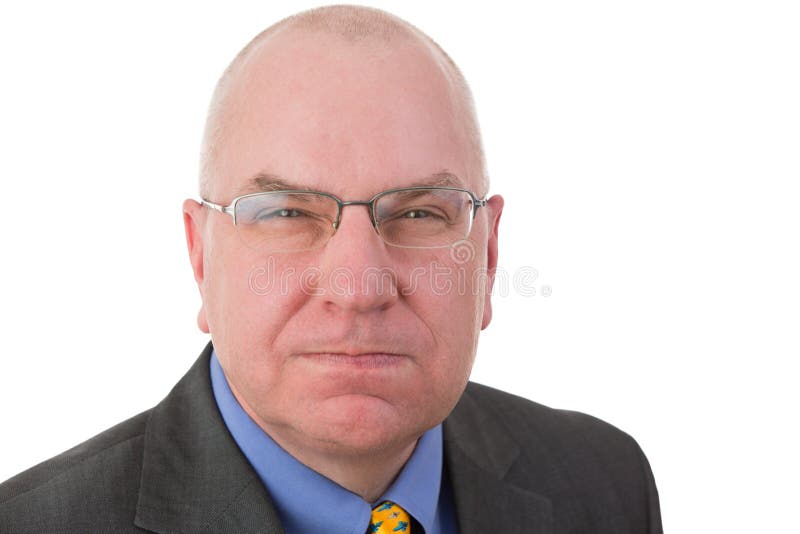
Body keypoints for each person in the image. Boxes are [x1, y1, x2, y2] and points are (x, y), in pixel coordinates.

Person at [0, 5, 662, 533]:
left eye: (421, 215)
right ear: (201, 259)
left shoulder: (604, 483)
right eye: (288, 214)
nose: (358, 288)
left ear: (487, 259)